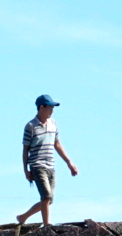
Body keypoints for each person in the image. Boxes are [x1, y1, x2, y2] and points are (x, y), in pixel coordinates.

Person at [15, 94, 78, 227]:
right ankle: (46, 225)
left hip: (51, 165)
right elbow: (25, 150)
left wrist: (69, 163)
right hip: (37, 165)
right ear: (41, 107)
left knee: (49, 200)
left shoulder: (53, 124)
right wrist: (26, 170)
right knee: (46, 197)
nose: (52, 111)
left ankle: (23, 217)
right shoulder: (30, 126)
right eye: (50, 108)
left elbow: (57, 144)